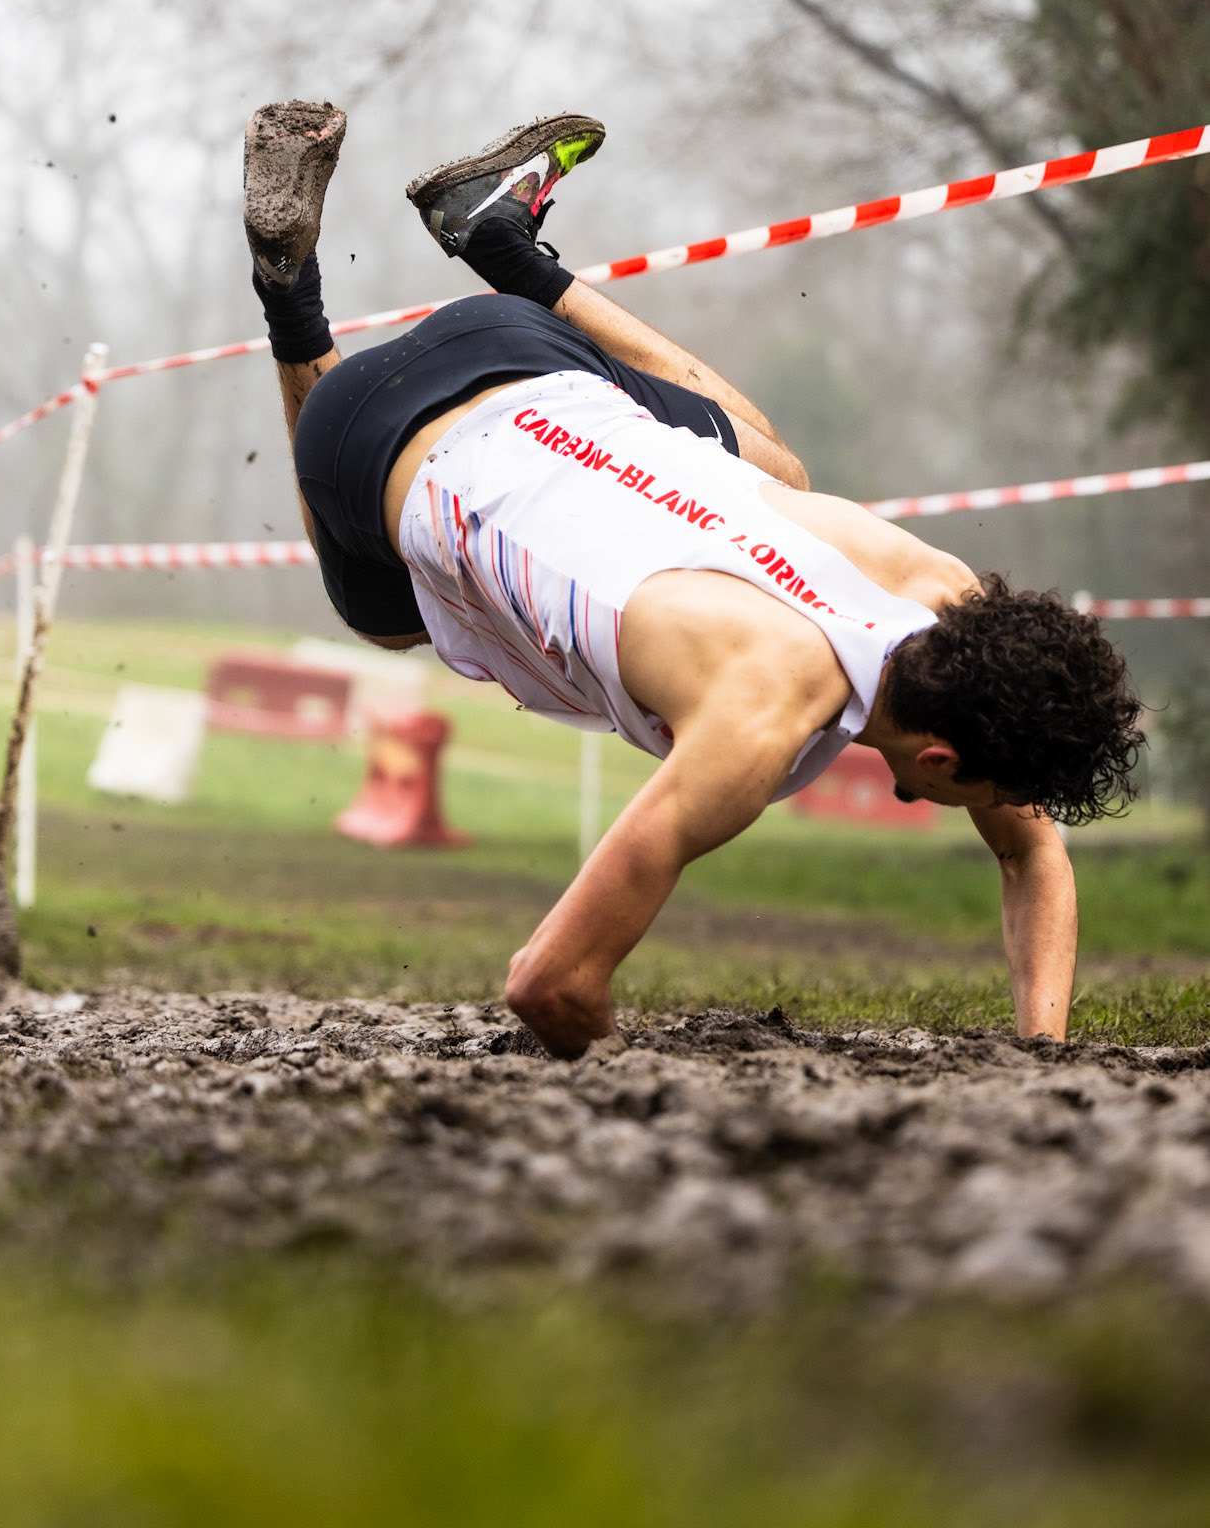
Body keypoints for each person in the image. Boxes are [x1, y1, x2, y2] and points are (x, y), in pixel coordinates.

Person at [243, 99, 1143, 1057]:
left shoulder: (935, 584)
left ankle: (501, 247)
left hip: (514, 344)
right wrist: (634, 1100)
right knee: (384, 618)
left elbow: (1033, 848)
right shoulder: (757, 720)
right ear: (936, 764)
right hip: (356, 433)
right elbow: (546, 983)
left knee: (780, 476)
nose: (1019, 817)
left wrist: (1039, 1061)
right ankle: (291, 302)